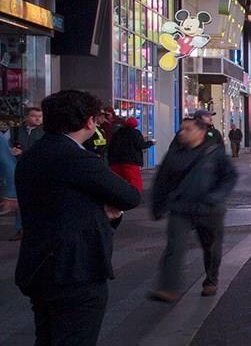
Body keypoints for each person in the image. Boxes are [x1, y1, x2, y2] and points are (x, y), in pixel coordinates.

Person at [12, 88, 142, 346]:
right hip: (74, 269)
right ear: (89, 121)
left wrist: (99, 210)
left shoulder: (32, 155)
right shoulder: (77, 157)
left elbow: (59, 203)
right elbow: (129, 196)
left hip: (38, 265)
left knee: (47, 336)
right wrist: (106, 210)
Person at [149, 110, 238, 302]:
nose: (182, 133)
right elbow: (162, 181)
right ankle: (168, 288)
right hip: (181, 208)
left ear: (200, 132)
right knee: (175, 246)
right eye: (181, 129)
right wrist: (157, 206)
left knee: (211, 247)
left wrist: (217, 196)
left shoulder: (214, 152)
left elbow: (230, 176)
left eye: (187, 129)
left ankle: (211, 280)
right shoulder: (174, 154)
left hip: (209, 209)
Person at [105, 115, 150, 195]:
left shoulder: (117, 133)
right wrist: (150, 143)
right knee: (134, 181)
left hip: (115, 161)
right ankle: (134, 197)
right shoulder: (135, 133)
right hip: (130, 161)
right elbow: (141, 145)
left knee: (117, 181)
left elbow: (111, 146)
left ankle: (116, 196)